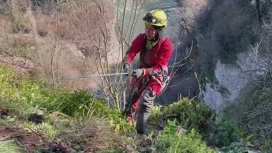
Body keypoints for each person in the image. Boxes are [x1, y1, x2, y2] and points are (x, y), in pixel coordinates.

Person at [122, 9, 173, 136]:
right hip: (142, 72)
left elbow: (160, 67)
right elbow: (132, 51)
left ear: (159, 31)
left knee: (145, 102)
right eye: (147, 28)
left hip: (156, 76)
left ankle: (140, 133)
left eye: (151, 29)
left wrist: (143, 71)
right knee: (131, 98)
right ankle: (126, 123)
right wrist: (127, 63)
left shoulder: (166, 45)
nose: (148, 32)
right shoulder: (142, 38)